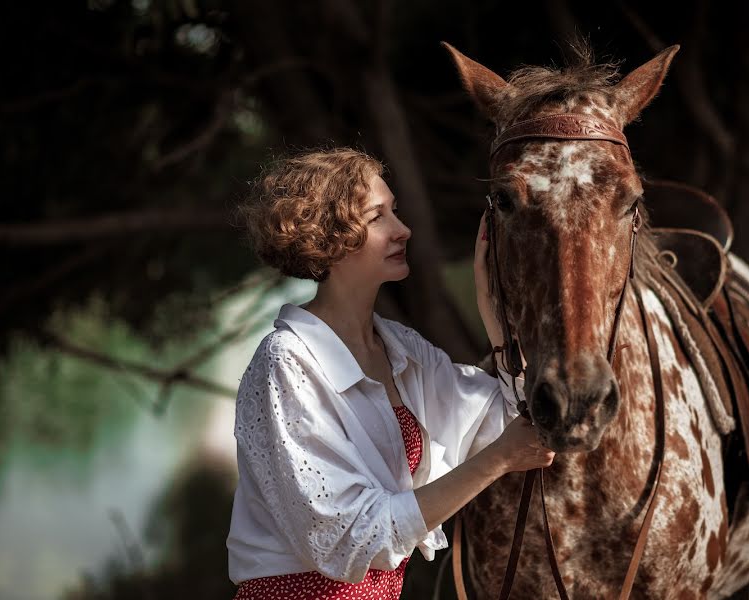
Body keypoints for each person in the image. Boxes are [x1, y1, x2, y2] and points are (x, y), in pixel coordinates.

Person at [227, 148, 554, 600]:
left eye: (395, 211)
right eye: (378, 216)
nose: (403, 229)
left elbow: (514, 418)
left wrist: (490, 309)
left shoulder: (402, 349)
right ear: (330, 237)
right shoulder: (285, 364)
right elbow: (350, 538)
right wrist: (497, 460)